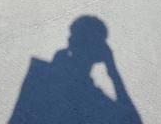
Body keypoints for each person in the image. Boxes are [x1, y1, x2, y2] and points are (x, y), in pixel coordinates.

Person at [9, 16, 142, 124]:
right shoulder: (94, 101)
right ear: (100, 54)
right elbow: (132, 121)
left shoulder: (39, 78)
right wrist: (114, 74)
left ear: (70, 41)